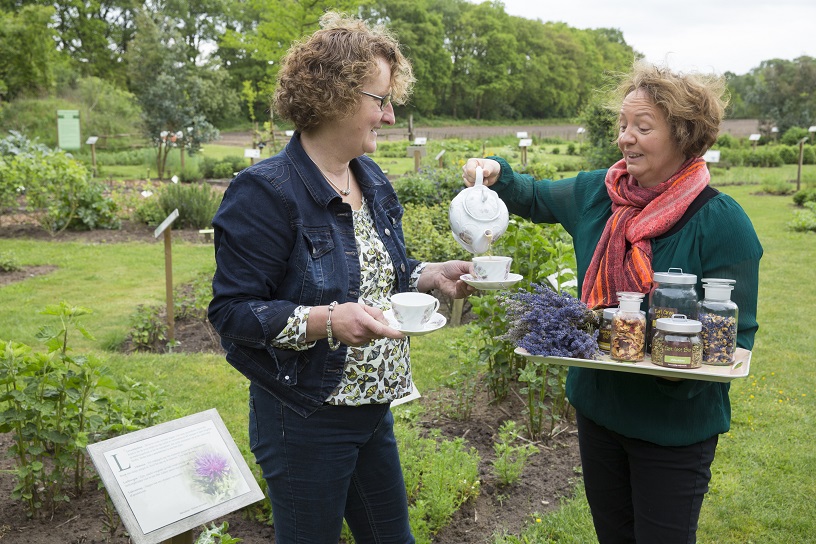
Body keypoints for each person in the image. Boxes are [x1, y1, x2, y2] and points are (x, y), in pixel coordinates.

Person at [462, 61, 762, 543]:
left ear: (684, 136)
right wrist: (497, 173)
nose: (626, 138)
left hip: (673, 426)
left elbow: (737, 334)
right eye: (623, 125)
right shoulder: (598, 195)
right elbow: (533, 196)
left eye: (643, 127)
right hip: (600, 407)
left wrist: (669, 366)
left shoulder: (721, 222)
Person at [208, 12, 473, 544]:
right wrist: (328, 321)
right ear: (335, 97)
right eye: (380, 100)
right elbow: (231, 313)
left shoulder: (368, 176)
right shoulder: (266, 191)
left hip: (372, 407)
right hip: (306, 415)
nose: (391, 115)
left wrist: (430, 276)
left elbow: (382, 273)